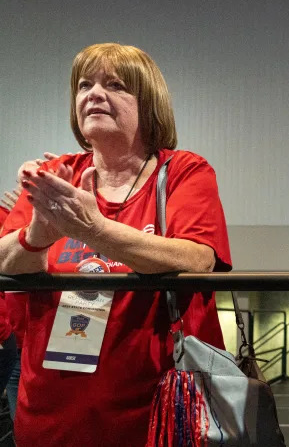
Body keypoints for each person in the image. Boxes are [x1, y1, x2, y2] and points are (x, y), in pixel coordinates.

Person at [0, 43, 231, 446]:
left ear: (148, 103)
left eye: (115, 84)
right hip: (49, 417)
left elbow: (197, 257)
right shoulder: (57, 174)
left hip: (154, 419)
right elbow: (5, 260)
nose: (93, 93)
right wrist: (37, 238)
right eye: (84, 84)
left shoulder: (183, 171)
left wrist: (94, 230)